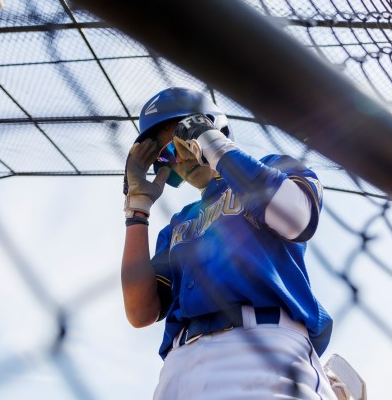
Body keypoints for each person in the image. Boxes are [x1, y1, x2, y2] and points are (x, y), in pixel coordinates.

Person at [121, 87, 336, 399]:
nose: (180, 156)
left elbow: (297, 217)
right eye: (167, 152)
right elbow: (141, 312)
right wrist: (136, 210)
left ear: (210, 127)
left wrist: (211, 143)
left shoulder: (273, 168)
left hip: (266, 347)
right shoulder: (179, 223)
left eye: (184, 138)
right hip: (179, 364)